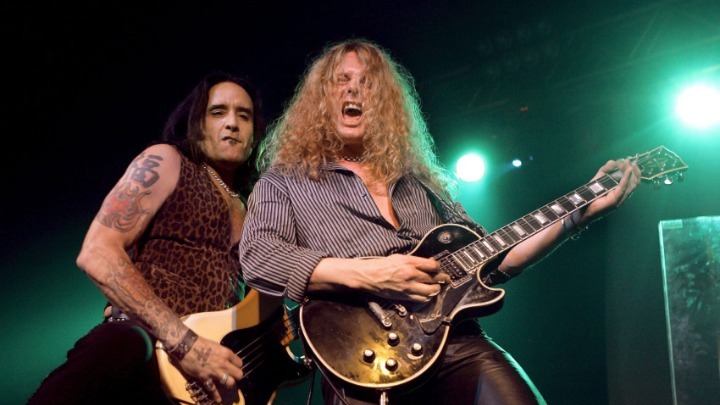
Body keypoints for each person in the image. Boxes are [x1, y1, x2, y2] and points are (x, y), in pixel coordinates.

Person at [238, 38, 641, 405]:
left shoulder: (419, 180)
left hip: (457, 345)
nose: (353, 90)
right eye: (341, 81)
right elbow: (259, 256)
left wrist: (576, 217)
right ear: (321, 98)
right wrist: (373, 274)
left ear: (385, 103)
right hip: (360, 358)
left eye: (367, 83)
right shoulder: (285, 180)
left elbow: (497, 259)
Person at [28, 71, 266, 405]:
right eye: (218, 112)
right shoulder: (167, 160)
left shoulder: (255, 207)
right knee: (120, 348)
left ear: (255, 133)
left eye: (244, 115)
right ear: (197, 124)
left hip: (197, 381)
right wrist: (183, 342)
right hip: (143, 345)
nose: (232, 123)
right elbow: (97, 253)